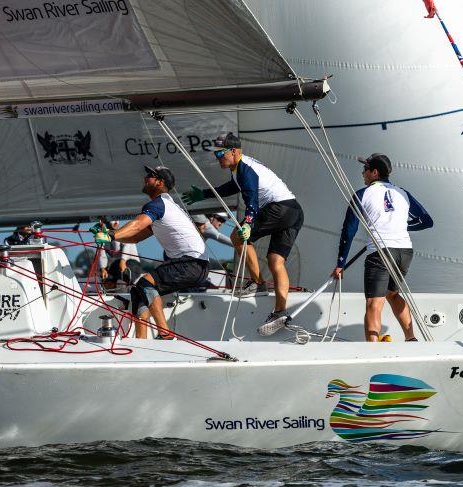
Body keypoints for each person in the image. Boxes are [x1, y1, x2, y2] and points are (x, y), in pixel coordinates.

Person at [182, 132, 304, 332]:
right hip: (294, 211)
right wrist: (203, 194)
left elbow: (252, 200)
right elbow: (233, 187)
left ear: (234, 151)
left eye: (220, 153)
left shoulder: (245, 170)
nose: (217, 157)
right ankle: (280, 312)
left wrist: (247, 223)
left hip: (279, 208)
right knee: (275, 261)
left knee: (236, 237)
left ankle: (258, 283)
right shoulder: (239, 168)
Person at [91, 165, 208, 339]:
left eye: (150, 176)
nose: (146, 177)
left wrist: (111, 235)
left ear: (160, 183)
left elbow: (137, 224)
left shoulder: (158, 205)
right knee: (138, 291)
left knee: (146, 283)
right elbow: (135, 237)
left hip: (191, 263)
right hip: (195, 265)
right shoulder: (166, 207)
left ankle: (165, 334)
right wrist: (110, 235)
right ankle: (141, 342)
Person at [332, 154, 433, 342]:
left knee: (373, 302)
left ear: (374, 172)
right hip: (404, 251)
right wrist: (402, 226)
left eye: (365, 170)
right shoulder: (403, 192)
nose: (363, 173)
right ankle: (411, 339)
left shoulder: (362, 194)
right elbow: (427, 221)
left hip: (381, 252)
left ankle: (373, 351)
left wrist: (341, 263)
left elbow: (349, 231)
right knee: (391, 294)